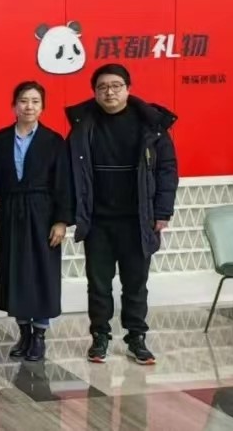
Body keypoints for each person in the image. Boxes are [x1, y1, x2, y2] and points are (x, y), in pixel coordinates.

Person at [66, 64, 178, 365]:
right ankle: (100, 336)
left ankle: (136, 338)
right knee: (98, 284)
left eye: (116, 86)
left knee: (135, 283)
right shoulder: (83, 124)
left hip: (138, 219)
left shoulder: (151, 125)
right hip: (97, 220)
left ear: (128, 89)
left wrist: (162, 211)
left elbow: (167, 171)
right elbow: (70, 172)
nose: (110, 92)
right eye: (102, 87)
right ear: (94, 92)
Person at [0, 81, 73, 362]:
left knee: (42, 272)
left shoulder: (53, 141)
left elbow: (64, 183)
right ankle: (23, 331)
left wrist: (61, 221)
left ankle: (39, 335)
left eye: (35, 101)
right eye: (23, 101)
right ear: (14, 106)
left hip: (43, 213)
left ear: (42, 107)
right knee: (15, 271)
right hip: (11, 212)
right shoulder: (0, 140)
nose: (29, 106)